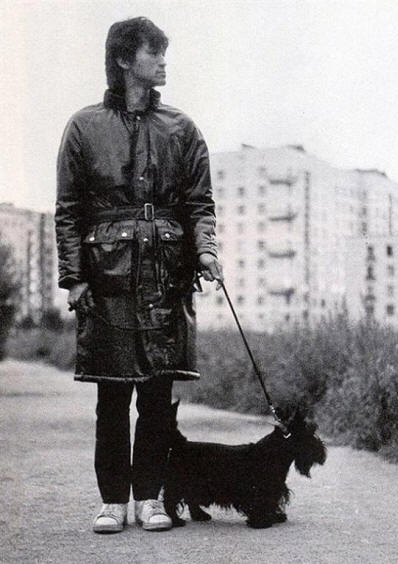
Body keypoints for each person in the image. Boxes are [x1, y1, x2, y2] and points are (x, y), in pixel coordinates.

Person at [55, 17, 223, 534]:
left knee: (156, 395)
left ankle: (150, 498)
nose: (164, 61)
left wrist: (206, 252)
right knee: (111, 396)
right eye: (155, 53)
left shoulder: (182, 128)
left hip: (166, 275)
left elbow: (200, 204)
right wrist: (74, 277)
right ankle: (113, 501)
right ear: (126, 59)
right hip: (107, 277)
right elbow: (68, 210)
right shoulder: (83, 127)